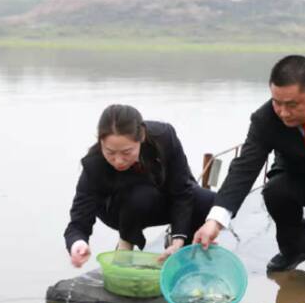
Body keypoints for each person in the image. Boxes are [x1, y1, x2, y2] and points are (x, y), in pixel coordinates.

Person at [193, 55, 305, 272]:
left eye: (292, 105)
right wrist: (215, 222)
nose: (283, 113)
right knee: (275, 191)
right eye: (277, 103)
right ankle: (297, 248)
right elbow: (244, 167)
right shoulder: (265, 119)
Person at [64, 104, 215, 266]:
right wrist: (78, 243)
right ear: (100, 141)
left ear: (141, 136)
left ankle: (183, 249)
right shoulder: (94, 163)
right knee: (141, 196)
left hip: (158, 197)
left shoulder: (164, 136)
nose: (118, 161)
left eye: (126, 152)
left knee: (208, 201)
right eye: (110, 152)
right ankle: (125, 244)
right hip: (118, 209)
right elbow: (79, 219)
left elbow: (182, 190)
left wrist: (178, 239)